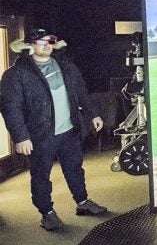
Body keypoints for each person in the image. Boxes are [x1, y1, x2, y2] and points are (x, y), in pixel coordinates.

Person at [0, 29, 107, 231]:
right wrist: (21, 137)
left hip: (69, 131)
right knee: (41, 175)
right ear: (29, 45)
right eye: (40, 41)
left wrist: (94, 113)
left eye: (50, 41)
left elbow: (81, 92)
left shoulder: (66, 66)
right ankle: (47, 213)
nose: (46, 44)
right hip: (40, 135)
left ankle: (83, 202)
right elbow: (10, 108)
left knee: (75, 169)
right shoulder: (15, 74)